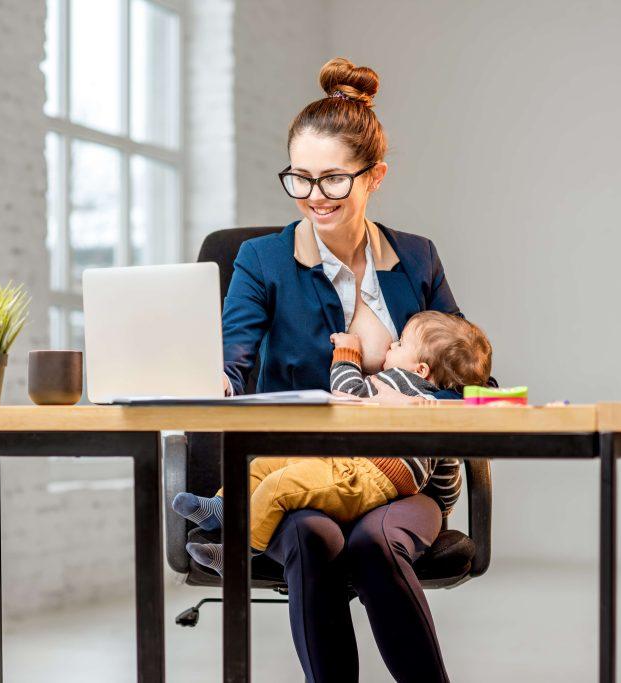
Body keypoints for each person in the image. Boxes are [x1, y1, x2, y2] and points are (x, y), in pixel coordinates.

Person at [213, 56, 470, 682]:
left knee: (373, 545)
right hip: (302, 470)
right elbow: (233, 359)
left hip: (401, 476)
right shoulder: (262, 260)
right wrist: (215, 380)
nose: (312, 198)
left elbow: (466, 370)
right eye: (299, 179)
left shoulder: (416, 258)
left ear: (374, 175)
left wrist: (440, 401)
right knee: (312, 537)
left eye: (332, 180)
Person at [174, 311, 492, 575]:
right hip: (350, 465)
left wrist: (347, 352)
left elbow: (346, 390)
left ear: (420, 369)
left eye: (400, 344)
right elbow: (446, 471)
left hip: (367, 476)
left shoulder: (400, 382)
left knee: (279, 484)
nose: (391, 346)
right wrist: (443, 502)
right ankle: (221, 507)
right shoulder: (434, 409)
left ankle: (236, 556)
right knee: (265, 465)